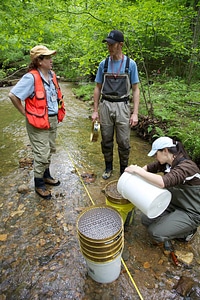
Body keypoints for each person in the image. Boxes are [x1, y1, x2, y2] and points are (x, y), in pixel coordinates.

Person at [9, 45, 64, 200]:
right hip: (37, 122)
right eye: (48, 57)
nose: (51, 60)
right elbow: (13, 96)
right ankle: (39, 184)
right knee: (41, 154)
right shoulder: (30, 78)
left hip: (52, 119)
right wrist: (25, 113)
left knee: (50, 149)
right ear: (39, 61)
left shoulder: (52, 75)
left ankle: (46, 175)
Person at [125, 136, 200, 243]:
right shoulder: (167, 163)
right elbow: (149, 167)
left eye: (156, 154)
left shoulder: (187, 167)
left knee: (155, 233)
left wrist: (138, 171)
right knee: (145, 220)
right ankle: (171, 223)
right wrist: (134, 174)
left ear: (165, 151)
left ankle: (188, 232)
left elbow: (163, 182)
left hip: (191, 211)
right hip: (173, 203)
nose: (155, 157)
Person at [92, 30, 140, 179]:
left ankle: (123, 171)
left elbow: (135, 89)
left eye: (112, 44)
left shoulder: (130, 64)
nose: (109, 47)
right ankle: (108, 168)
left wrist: (135, 113)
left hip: (123, 106)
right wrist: (95, 110)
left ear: (120, 45)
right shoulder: (103, 64)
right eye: (108, 44)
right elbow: (97, 87)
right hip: (105, 105)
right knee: (106, 139)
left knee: (124, 141)